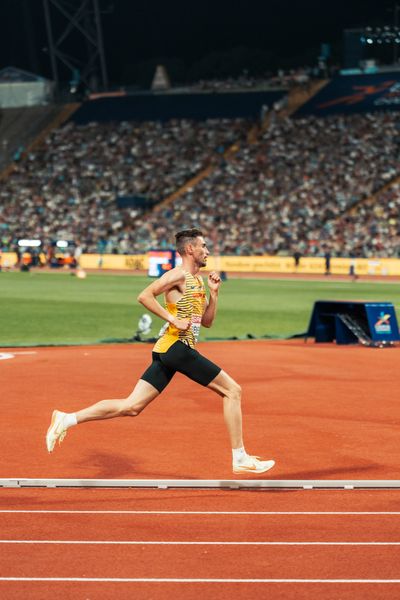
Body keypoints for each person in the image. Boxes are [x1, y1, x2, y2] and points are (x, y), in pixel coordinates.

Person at [46, 228, 275, 475]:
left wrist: (215, 294)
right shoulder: (177, 275)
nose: (207, 251)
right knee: (233, 391)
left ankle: (67, 419)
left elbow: (207, 322)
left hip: (170, 350)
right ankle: (239, 457)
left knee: (131, 406)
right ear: (190, 249)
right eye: (203, 246)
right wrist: (172, 319)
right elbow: (144, 296)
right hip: (176, 347)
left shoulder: (198, 281)